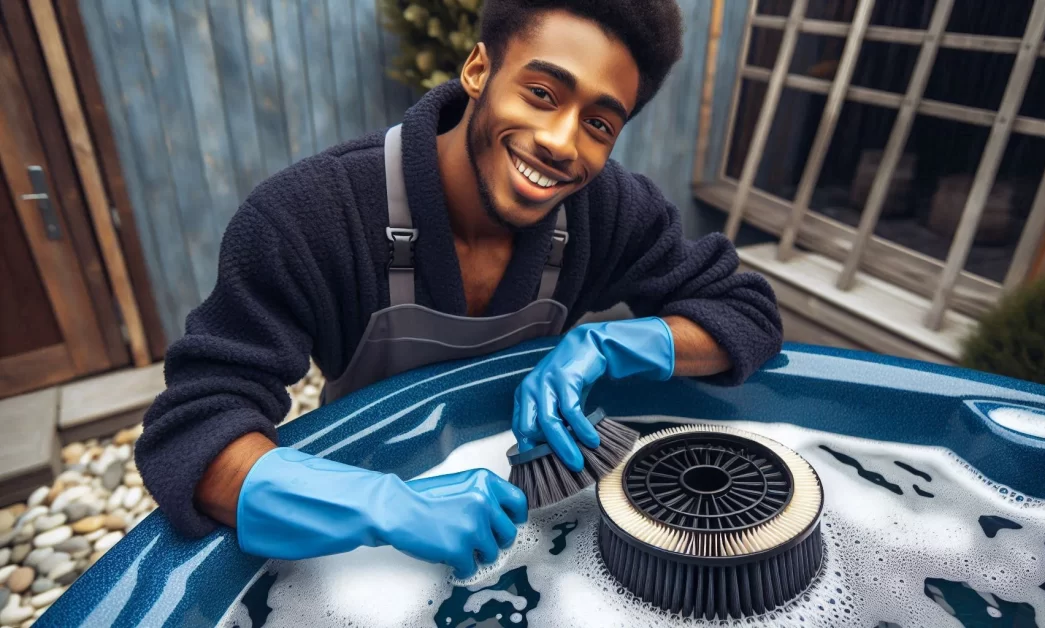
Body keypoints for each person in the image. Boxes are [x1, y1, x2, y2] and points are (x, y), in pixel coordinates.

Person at [135, 0, 783, 579]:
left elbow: (743, 315)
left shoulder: (609, 211)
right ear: (477, 69)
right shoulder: (306, 217)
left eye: (598, 125)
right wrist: (383, 506)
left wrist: (610, 345)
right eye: (540, 92)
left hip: (533, 513)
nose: (560, 142)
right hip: (370, 540)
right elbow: (194, 436)